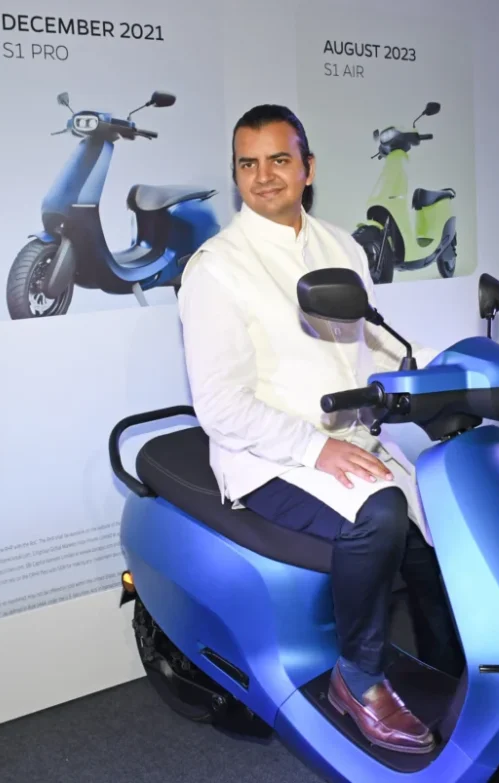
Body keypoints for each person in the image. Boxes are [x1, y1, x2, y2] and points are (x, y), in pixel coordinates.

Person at [176, 104, 464, 755]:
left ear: (308, 168)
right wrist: (316, 447)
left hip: (350, 442)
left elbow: (376, 344)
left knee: (438, 526)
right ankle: (356, 679)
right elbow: (220, 405)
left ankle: (451, 677)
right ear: (235, 175)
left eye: (279, 160)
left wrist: (447, 372)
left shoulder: (342, 245)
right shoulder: (217, 268)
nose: (263, 176)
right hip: (267, 457)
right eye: (248, 164)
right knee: (381, 515)